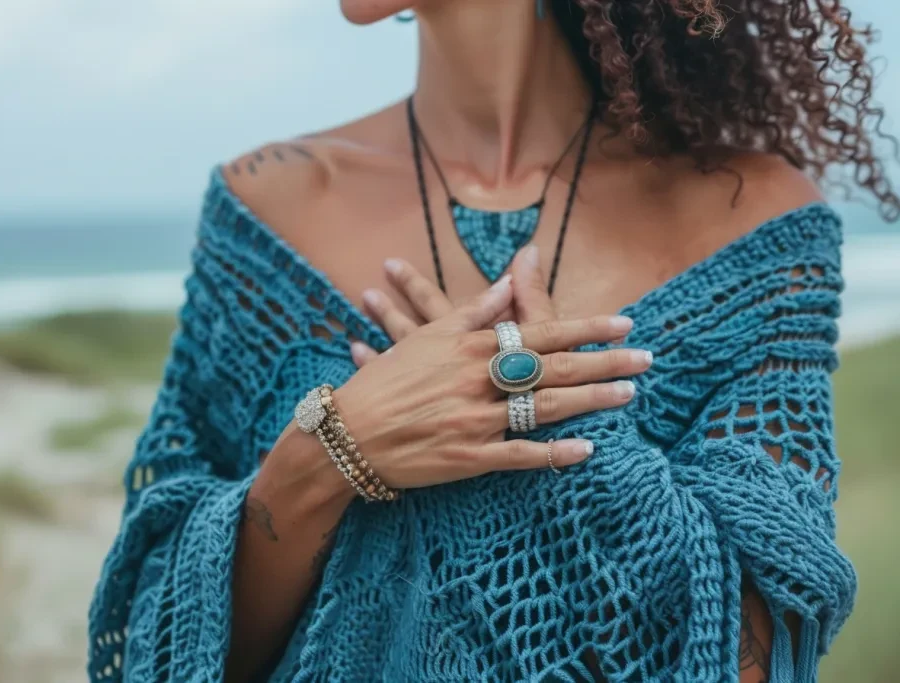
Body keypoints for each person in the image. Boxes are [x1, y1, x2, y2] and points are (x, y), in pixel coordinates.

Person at [89, 1, 895, 681]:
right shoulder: (264, 210)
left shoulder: (754, 225)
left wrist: (550, 422)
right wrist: (331, 448)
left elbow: (758, 646)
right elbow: (157, 625)